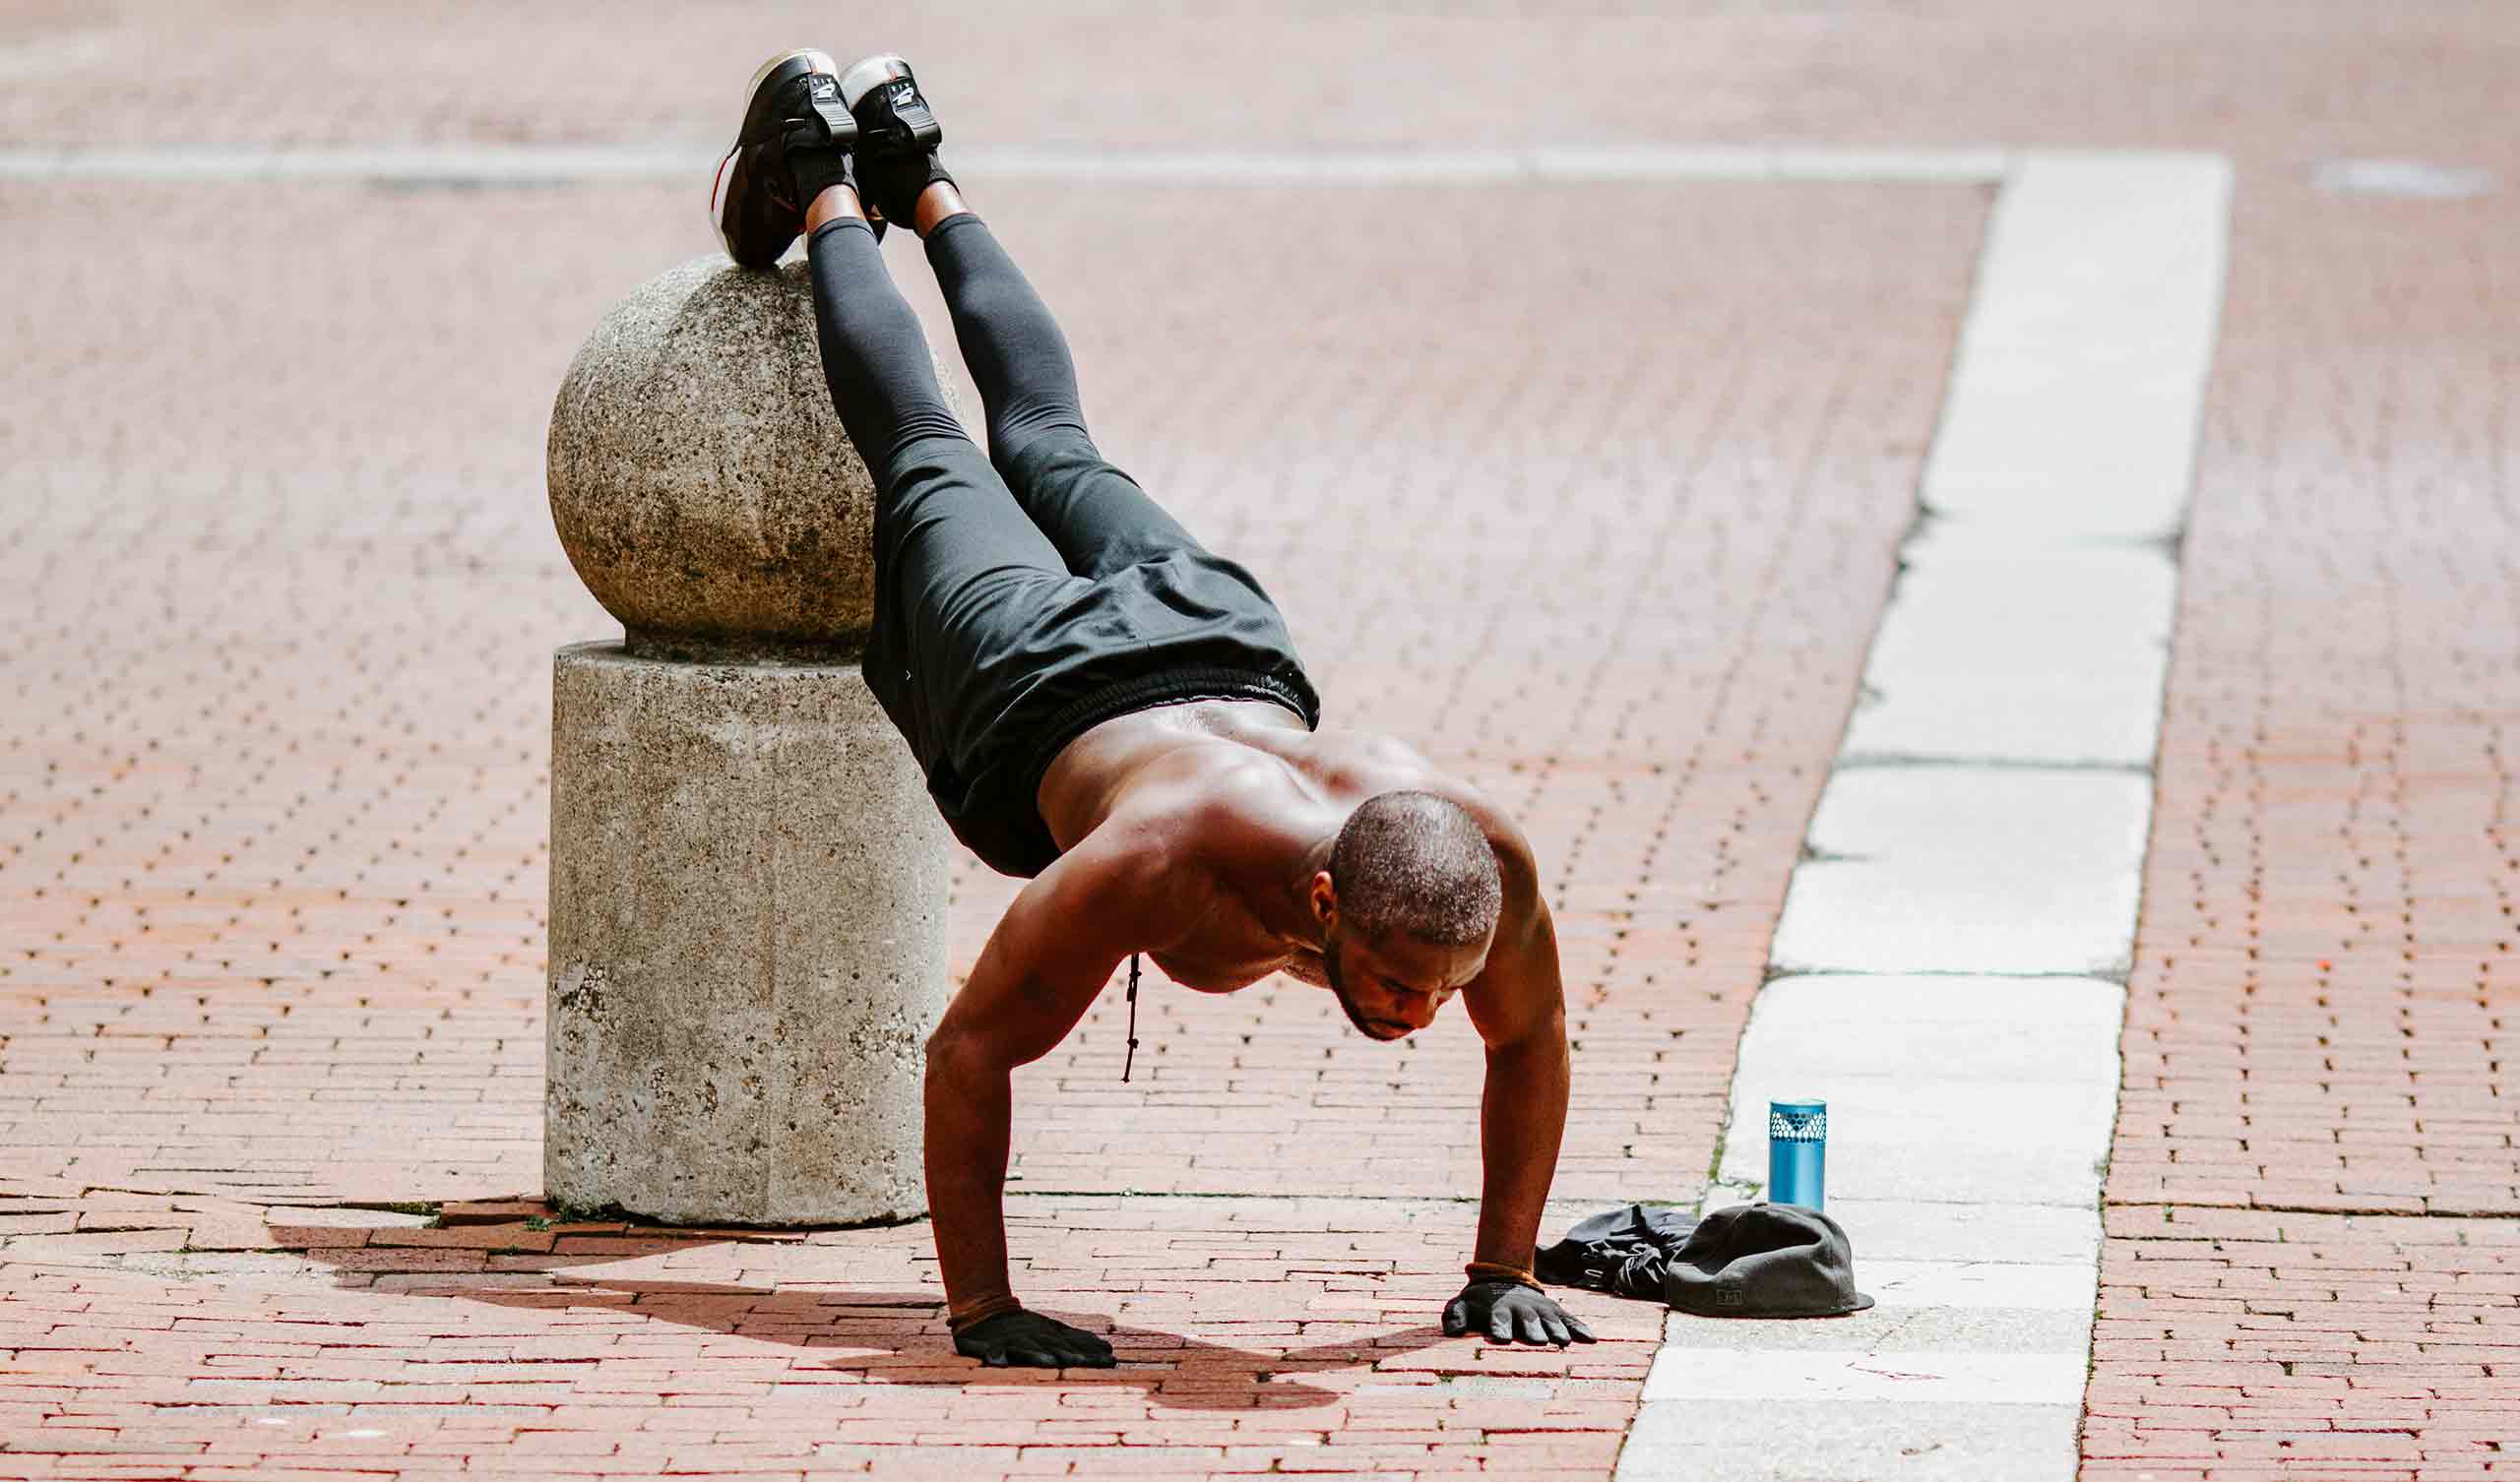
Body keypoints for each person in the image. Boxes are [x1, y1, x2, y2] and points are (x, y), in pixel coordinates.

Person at [713, 48, 1595, 1369]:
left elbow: (1529, 1032)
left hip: (1221, 641)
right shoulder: (1151, 860)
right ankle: (826, 170)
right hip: (1038, 675)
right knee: (928, 444)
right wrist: (982, 1306)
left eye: (1434, 992)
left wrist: (1502, 1266)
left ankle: (924, 168)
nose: (1419, 1019)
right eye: (1403, 988)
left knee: (1054, 440)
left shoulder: (1481, 864)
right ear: (1321, 902)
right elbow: (967, 1055)